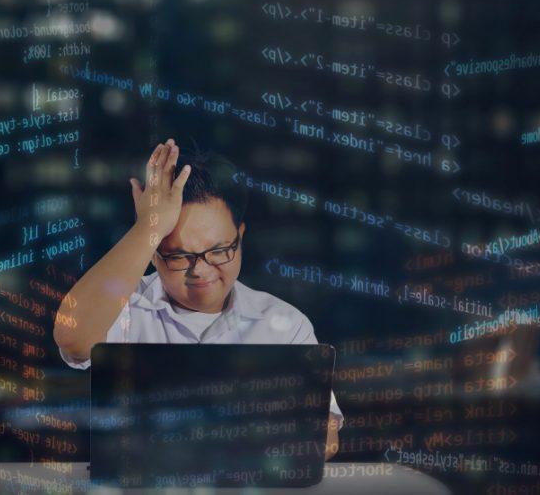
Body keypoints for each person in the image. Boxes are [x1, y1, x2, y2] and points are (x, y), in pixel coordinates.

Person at [54, 138, 343, 459]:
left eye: (219, 251)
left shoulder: (284, 324)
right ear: (152, 254)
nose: (201, 271)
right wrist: (147, 228)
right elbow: (73, 338)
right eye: (178, 256)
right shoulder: (124, 308)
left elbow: (325, 438)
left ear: (241, 237)